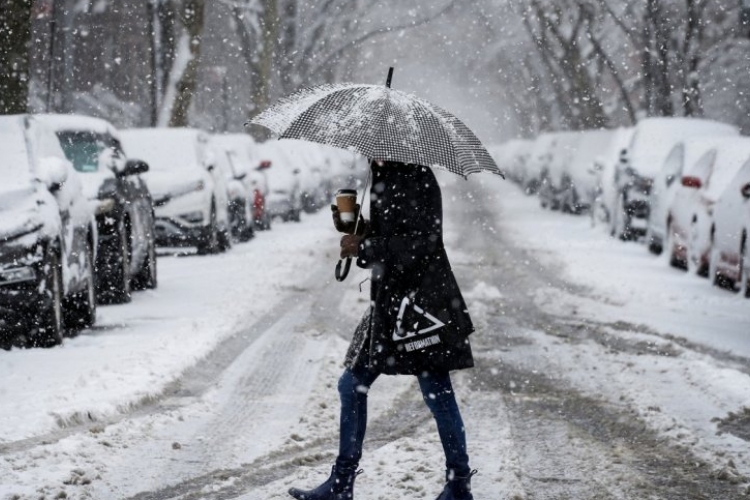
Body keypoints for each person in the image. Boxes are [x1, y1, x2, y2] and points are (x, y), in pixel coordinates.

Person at [288, 160, 476, 500]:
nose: (365, 151)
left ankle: (459, 484)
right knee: (352, 384)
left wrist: (365, 247)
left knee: (438, 393)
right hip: (391, 303)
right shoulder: (386, 174)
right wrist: (359, 227)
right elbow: (394, 231)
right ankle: (342, 483)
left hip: (420, 307)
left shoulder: (415, 177)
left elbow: (422, 243)